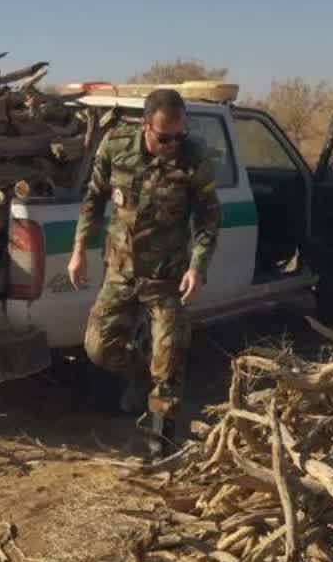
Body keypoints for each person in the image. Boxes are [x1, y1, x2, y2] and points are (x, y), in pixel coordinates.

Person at [68, 88, 221, 456]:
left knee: (169, 363)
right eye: (165, 137)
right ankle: (139, 375)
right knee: (98, 348)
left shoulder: (194, 159)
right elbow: (93, 198)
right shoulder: (116, 146)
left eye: (179, 136)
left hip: (168, 277)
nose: (172, 144)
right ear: (145, 126)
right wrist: (78, 252)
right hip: (120, 271)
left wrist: (197, 267)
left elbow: (209, 217)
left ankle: (161, 444)